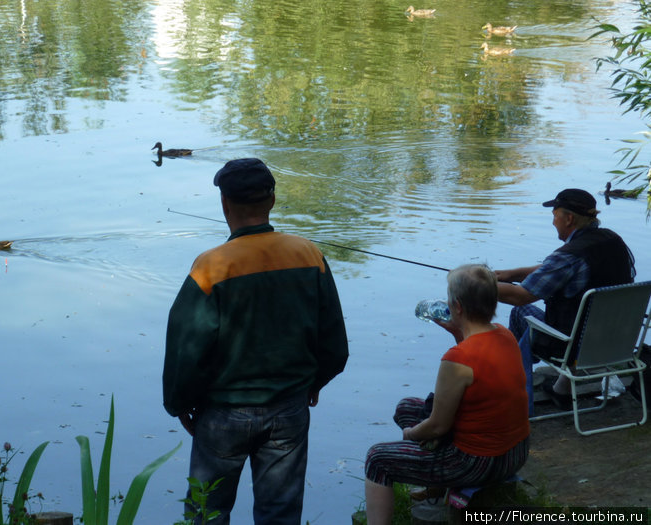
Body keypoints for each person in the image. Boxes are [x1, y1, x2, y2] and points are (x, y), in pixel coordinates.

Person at [163, 158, 349, 525]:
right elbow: (334, 343)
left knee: (205, 514)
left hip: (222, 414)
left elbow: (186, 347)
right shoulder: (309, 255)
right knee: (280, 513)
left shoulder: (210, 267)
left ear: (224, 204)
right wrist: (315, 381)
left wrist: (179, 403)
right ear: (273, 200)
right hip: (289, 409)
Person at [364, 264, 529, 525]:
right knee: (406, 407)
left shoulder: (458, 358)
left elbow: (438, 425)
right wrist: (458, 332)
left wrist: (411, 435)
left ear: (458, 307)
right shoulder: (505, 334)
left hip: (478, 463)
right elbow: (478, 376)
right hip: (516, 453)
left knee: (377, 459)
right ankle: (438, 487)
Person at [496, 189, 635, 413]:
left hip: (572, 346)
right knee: (582, 319)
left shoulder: (568, 256)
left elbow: (519, 296)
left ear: (569, 218)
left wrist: (472, 283)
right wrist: (509, 275)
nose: (553, 222)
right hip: (617, 340)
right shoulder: (612, 241)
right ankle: (562, 388)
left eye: (555, 215)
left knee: (520, 314)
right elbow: (552, 269)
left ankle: (513, 389)